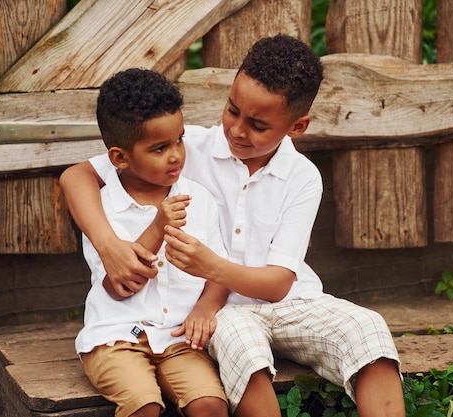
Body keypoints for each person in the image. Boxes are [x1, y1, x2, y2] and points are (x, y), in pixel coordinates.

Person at [61, 35, 405, 417]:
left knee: (367, 329)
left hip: (292, 303)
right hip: (219, 313)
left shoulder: (302, 176)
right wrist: (108, 245)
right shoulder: (185, 149)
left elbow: (279, 284)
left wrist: (212, 266)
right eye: (231, 110)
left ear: (297, 126)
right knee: (243, 346)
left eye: (258, 125)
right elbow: (76, 177)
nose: (238, 130)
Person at [74, 68, 230, 417]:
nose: (175, 155)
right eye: (159, 148)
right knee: (143, 404)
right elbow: (119, 287)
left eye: (179, 140)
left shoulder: (199, 198)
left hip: (178, 339)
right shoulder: (101, 207)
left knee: (211, 405)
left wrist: (206, 308)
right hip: (115, 340)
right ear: (120, 157)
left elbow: (219, 269)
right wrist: (158, 225)